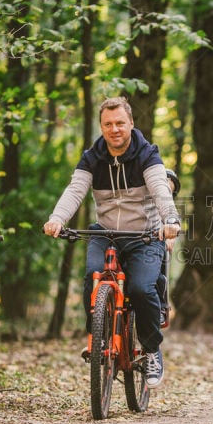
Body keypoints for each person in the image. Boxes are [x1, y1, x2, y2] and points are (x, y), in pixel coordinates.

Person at [43, 97, 180, 389]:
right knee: (93, 277)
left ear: (130, 123)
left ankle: (152, 348)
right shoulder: (92, 157)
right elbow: (75, 190)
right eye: (108, 124)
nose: (114, 129)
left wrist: (171, 220)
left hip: (145, 236)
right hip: (105, 234)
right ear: (101, 127)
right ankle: (98, 338)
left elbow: (159, 190)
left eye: (120, 123)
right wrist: (57, 218)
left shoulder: (147, 154)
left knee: (141, 289)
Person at [157, 168, 181, 327]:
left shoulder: (170, 209)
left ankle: (161, 305)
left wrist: (170, 238)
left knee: (163, 257)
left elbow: (174, 223)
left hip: (157, 243)